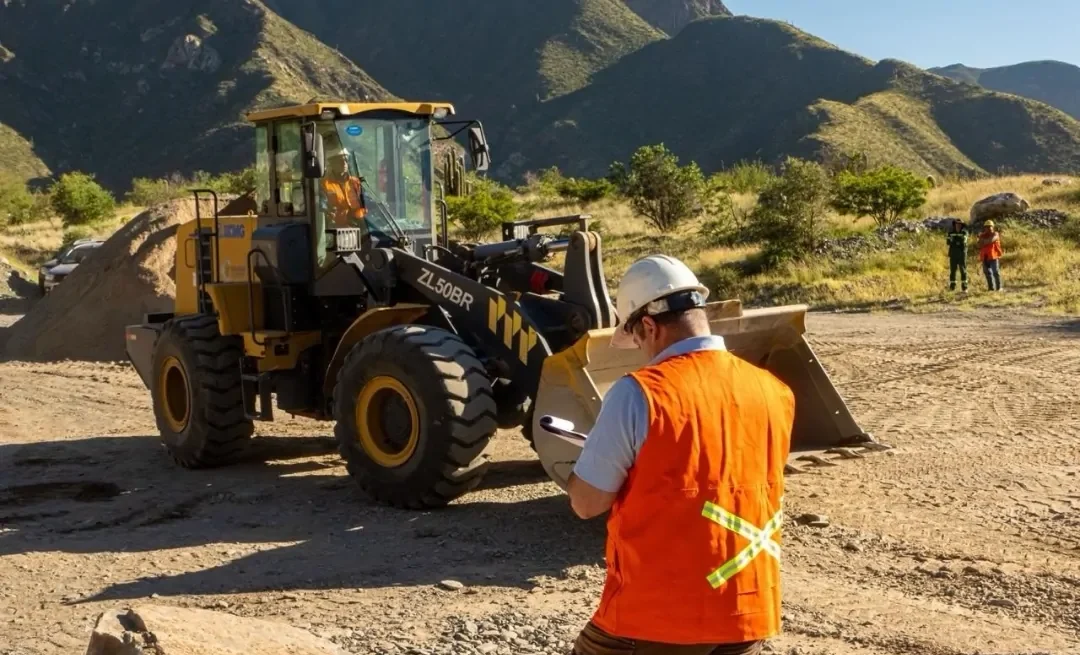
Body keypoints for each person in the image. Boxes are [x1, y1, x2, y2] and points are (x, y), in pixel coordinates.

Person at [566, 255, 795, 655]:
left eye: (636, 340)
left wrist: (583, 466)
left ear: (649, 326)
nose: (640, 352)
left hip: (659, 616)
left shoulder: (639, 392)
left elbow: (588, 503)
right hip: (748, 609)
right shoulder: (773, 390)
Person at [320, 151, 366, 227]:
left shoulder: (356, 182)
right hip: (336, 230)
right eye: (340, 160)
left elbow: (365, 202)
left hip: (358, 228)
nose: (344, 163)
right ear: (332, 163)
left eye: (346, 160)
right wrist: (326, 212)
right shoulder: (325, 184)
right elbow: (322, 205)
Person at [977, 220, 1004, 292]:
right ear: (984, 228)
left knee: (995, 272)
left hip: (993, 257)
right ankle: (990, 288)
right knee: (987, 273)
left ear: (993, 227)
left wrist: (983, 240)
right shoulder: (982, 235)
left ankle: (999, 288)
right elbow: (979, 244)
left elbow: (991, 240)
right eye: (986, 227)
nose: (988, 228)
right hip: (985, 257)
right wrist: (982, 240)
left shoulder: (996, 234)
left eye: (990, 227)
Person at [946, 219, 969, 292]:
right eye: (957, 224)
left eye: (960, 224)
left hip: (962, 254)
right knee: (953, 270)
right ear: (954, 225)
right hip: (953, 254)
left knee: (963, 270)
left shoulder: (964, 232)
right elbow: (948, 242)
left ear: (962, 225)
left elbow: (963, 242)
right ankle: (952, 287)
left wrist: (954, 241)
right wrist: (957, 241)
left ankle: (964, 287)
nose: (958, 225)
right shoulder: (950, 233)